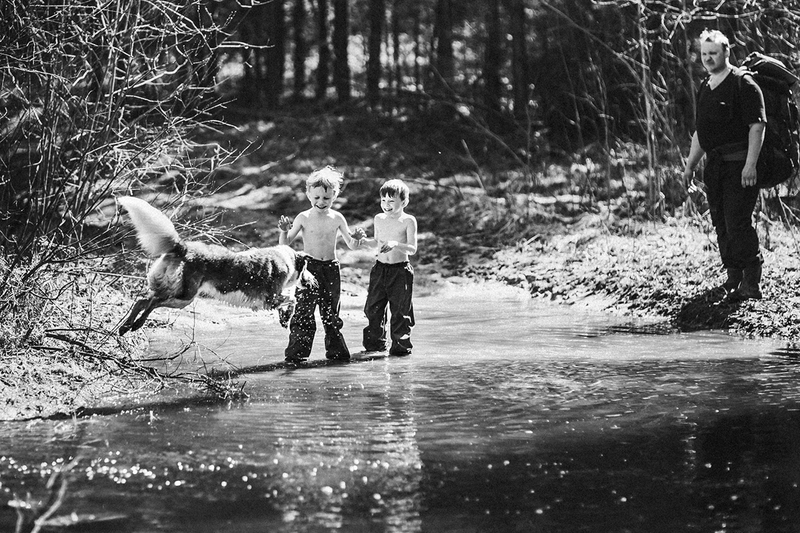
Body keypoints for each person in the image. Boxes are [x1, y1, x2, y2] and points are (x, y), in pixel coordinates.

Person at [683, 29, 766, 300]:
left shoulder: (744, 84)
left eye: (713, 53)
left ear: (726, 52)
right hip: (715, 167)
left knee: (737, 223)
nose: (708, 59)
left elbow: (757, 127)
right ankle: (733, 277)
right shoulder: (705, 86)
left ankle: (751, 282)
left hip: (740, 166)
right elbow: (701, 132)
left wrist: (750, 165)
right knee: (720, 222)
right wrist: (690, 166)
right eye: (704, 54)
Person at [277, 166, 366, 363]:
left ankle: (337, 355)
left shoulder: (337, 218)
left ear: (334, 195)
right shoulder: (303, 217)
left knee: (331, 313)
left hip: (331, 269)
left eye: (326, 198)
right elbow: (285, 244)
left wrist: (357, 238)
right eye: (316, 197)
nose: (321, 202)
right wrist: (283, 230)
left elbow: (351, 244)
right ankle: (296, 355)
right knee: (304, 312)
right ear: (308, 194)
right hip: (308, 269)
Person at [360, 179, 418, 356]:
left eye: (391, 201)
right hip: (380, 269)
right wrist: (362, 240)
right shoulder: (378, 218)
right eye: (383, 200)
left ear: (404, 202)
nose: (386, 205)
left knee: (400, 311)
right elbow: (376, 242)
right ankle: (375, 347)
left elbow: (412, 249)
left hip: (400, 271)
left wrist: (396, 244)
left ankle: (400, 350)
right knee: (373, 308)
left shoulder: (408, 221)